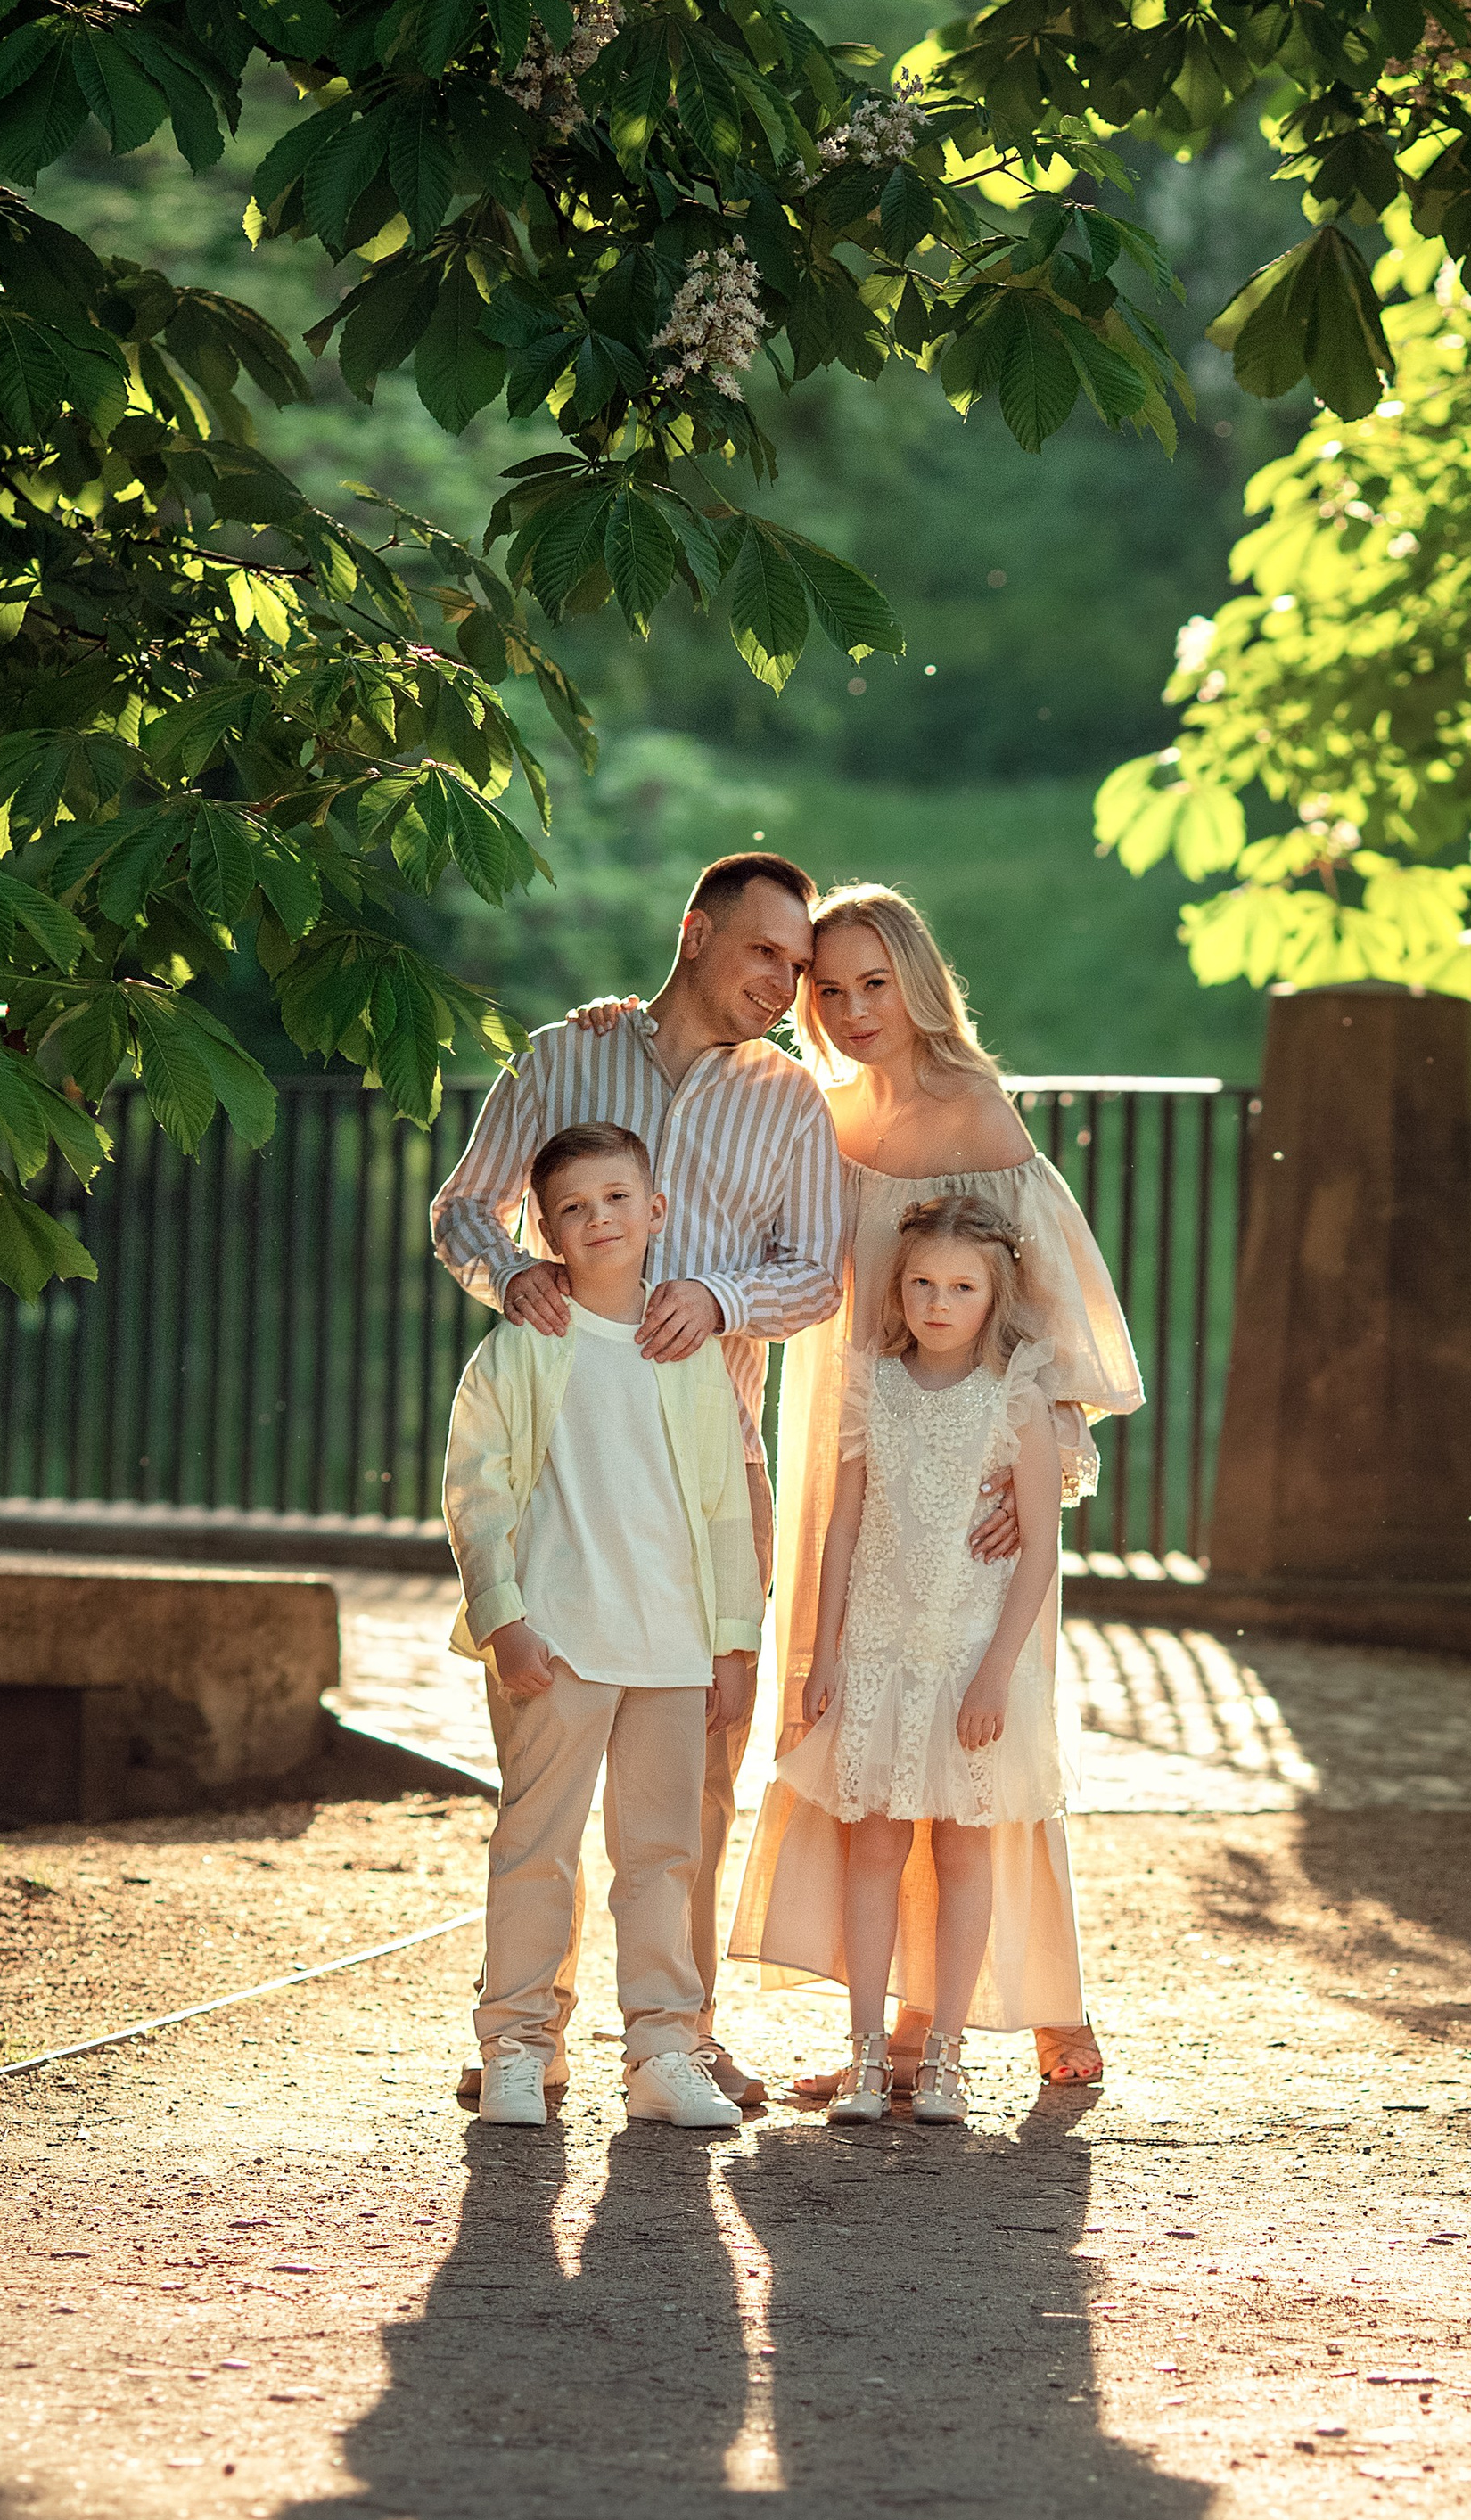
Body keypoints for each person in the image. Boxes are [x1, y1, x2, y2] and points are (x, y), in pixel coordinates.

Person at [430, 851, 849, 2111]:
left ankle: (677, 2034)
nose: (784, 984)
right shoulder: (568, 1053)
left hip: (719, 1458)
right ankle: (525, 2036)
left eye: (800, 966)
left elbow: (819, 1273)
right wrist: (513, 1276)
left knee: (698, 1760)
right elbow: (464, 1210)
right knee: (548, 1771)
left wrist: (719, 1296)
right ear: (696, 931)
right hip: (564, 1455)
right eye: (765, 953)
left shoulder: (789, 1100)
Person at [762, 885, 1143, 2099]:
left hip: (974, 1478)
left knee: (978, 1756)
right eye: (831, 988)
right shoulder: (815, 1115)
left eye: (877, 982)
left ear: (919, 982)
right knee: (864, 1750)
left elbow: (1047, 1308)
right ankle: (883, 2033)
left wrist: (1046, 1468)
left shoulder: (979, 1111)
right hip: (854, 1445)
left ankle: (1025, 1999)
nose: (854, 1008)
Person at [442, 1121, 764, 2130]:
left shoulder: (691, 1353)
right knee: (536, 1844)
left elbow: (722, 1506)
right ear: (544, 1231)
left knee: (663, 1853)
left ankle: (663, 2047)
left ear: (654, 1210)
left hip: (671, 1649)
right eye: (575, 1208)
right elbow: (476, 1493)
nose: (600, 1220)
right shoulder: (520, 1350)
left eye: (619, 1198)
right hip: (559, 1642)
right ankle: (518, 2045)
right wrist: (504, 1619)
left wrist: (733, 1640)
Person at [733, 1195, 1067, 2121]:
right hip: (878, 1652)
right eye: (920, 1281)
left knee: (963, 1849)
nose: (936, 1300)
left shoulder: (1017, 1398)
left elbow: (1038, 1547)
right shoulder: (869, 1384)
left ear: (993, 1295)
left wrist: (998, 1668)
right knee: (871, 1845)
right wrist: (825, 1648)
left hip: (967, 1657)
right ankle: (868, 2055)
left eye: (960, 1286)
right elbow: (842, 1524)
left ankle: (948, 2056)